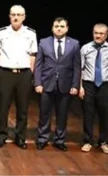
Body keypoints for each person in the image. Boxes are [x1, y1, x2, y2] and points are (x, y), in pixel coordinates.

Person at [0, 5, 37, 149]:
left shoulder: (30, 33)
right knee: (3, 107)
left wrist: (30, 73)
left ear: (24, 17)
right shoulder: (1, 33)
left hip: (23, 74)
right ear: (9, 16)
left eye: (19, 14)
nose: (16, 17)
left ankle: (20, 137)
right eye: (13, 14)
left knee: (23, 108)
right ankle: (1, 136)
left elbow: (32, 55)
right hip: (5, 72)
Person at [34, 17, 80, 151]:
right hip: (47, 83)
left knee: (62, 114)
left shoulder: (75, 44)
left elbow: (77, 66)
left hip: (65, 85)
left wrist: (75, 85)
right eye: (56, 26)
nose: (59, 28)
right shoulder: (43, 42)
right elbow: (38, 65)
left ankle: (59, 140)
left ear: (67, 28)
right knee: (44, 114)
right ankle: (42, 138)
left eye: (61, 26)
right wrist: (38, 83)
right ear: (52, 28)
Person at [79, 23, 108, 154]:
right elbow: (80, 69)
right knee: (88, 113)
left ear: (106, 35)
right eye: (96, 33)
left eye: (101, 33)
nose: (98, 35)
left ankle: (103, 142)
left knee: (104, 114)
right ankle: (87, 141)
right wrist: (80, 87)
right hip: (88, 84)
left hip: (105, 85)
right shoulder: (85, 48)